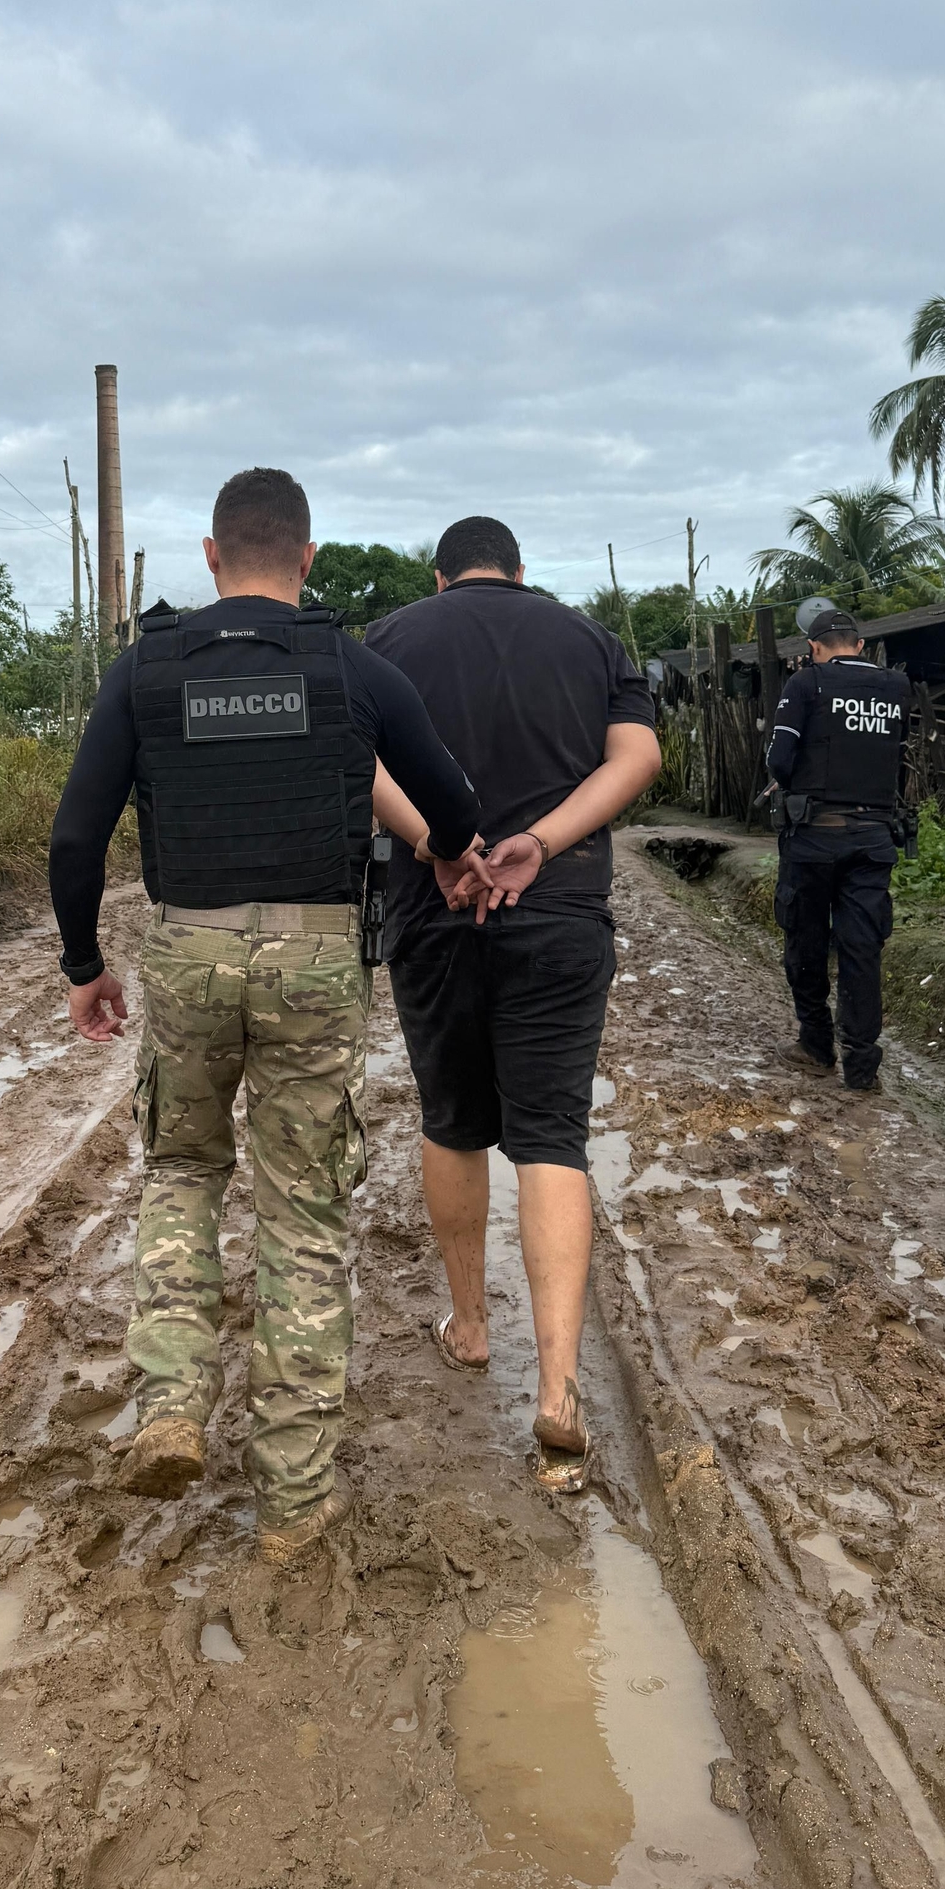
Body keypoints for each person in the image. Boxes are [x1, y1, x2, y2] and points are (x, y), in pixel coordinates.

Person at [46, 467, 485, 1567]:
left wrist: (84, 964)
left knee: (183, 1172)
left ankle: (173, 1404)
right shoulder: (353, 667)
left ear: (207, 556)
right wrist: (440, 852)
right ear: (308, 558)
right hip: (317, 957)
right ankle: (293, 1499)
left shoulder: (145, 670)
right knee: (302, 1211)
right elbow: (456, 810)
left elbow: (74, 838)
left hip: (186, 950)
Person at [365, 517, 661, 1493]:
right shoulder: (590, 639)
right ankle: (561, 1386)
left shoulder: (391, 641)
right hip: (562, 911)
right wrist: (538, 837)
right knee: (551, 1138)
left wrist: (439, 845)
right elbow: (636, 759)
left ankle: (471, 1327)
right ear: (522, 572)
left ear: (440, 576)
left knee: (451, 1121)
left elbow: (361, 764)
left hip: (433, 912)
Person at [765, 608, 912, 1092]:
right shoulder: (895, 688)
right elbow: (895, 754)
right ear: (861, 645)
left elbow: (780, 761)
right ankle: (863, 1068)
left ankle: (815, 1046)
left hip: (814, 839)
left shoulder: (806, 685)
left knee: (805, 942)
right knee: (862, 950)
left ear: (814, 648)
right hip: (873, 840)